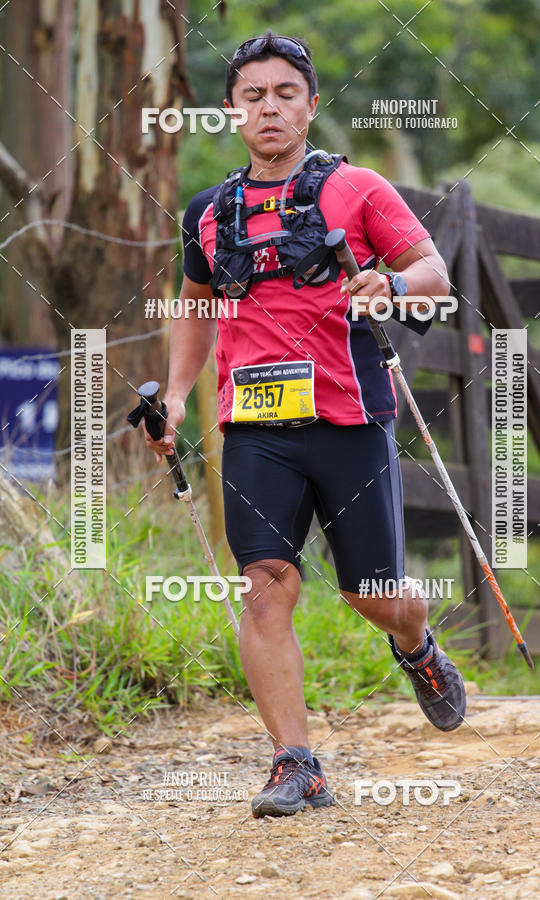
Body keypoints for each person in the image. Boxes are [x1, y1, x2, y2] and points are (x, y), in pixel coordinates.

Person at [145, 31, 466, 819]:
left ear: (311, 105)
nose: (269, 108)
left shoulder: (358, 189)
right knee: (265, 589)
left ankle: (416, 644)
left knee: (375, 593)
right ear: (232, 111)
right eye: (253, 95)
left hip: (350, 417)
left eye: (285, 93)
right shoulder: (208, 211)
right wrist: (179, 395)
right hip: (252, 427)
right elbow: (195, 307)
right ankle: (297, 763)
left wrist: (388, 285)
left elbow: (433, 273)